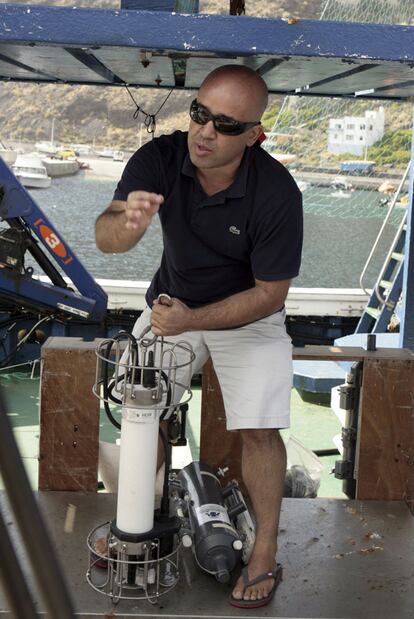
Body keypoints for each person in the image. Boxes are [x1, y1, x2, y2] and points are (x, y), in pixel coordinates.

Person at [95, 64, 303, 608]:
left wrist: (193, 320)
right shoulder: (161, 158)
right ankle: (138, 524)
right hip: (172, 306)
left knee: (260, 428)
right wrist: (128, 222)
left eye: (227, 125)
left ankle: (263, 553)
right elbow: (108, 237)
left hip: (247, 315)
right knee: (137, 407)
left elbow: (270, 294)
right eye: (200, 115)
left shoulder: (277, 191)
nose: (206, 132)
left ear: (255, 135)